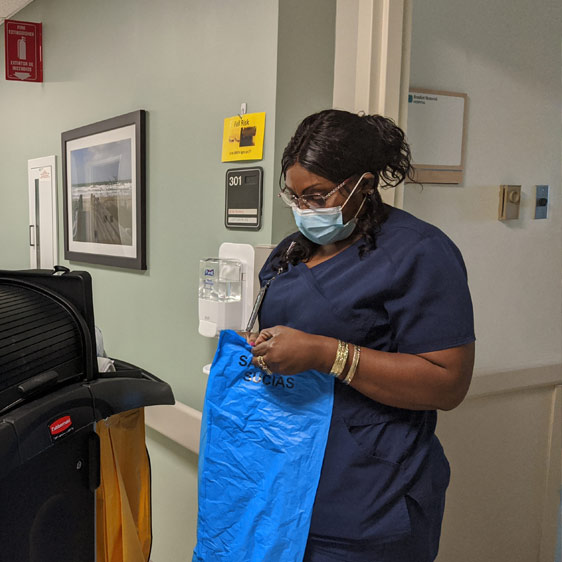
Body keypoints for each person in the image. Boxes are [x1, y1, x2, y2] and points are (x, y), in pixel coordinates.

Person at [248, 109, 475, 562]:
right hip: (286, 479)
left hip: (370, 493)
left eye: (315, 196)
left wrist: (325, 353)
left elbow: (448, 383)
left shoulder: (419, 252)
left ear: (363, 185)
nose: (303, 210)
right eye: (293, 196)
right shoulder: (292, 251)